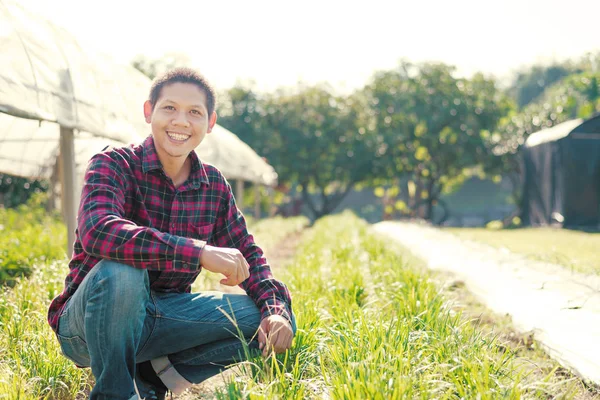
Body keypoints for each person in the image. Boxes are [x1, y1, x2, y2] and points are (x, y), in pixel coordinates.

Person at [47, 67, 295, 399]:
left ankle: (152, 378)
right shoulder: (113, 164)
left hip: (161, 317)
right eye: (169, 108)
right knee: (122, 269)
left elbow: (248, 255)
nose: (181, 121)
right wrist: (199, 252)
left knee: (262, 316)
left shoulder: (213, 185)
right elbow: (98, 231)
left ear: (210, 123)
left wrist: (275, 310)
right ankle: (116, 392)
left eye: (194, 112)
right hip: (89, 326)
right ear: (149, 112)